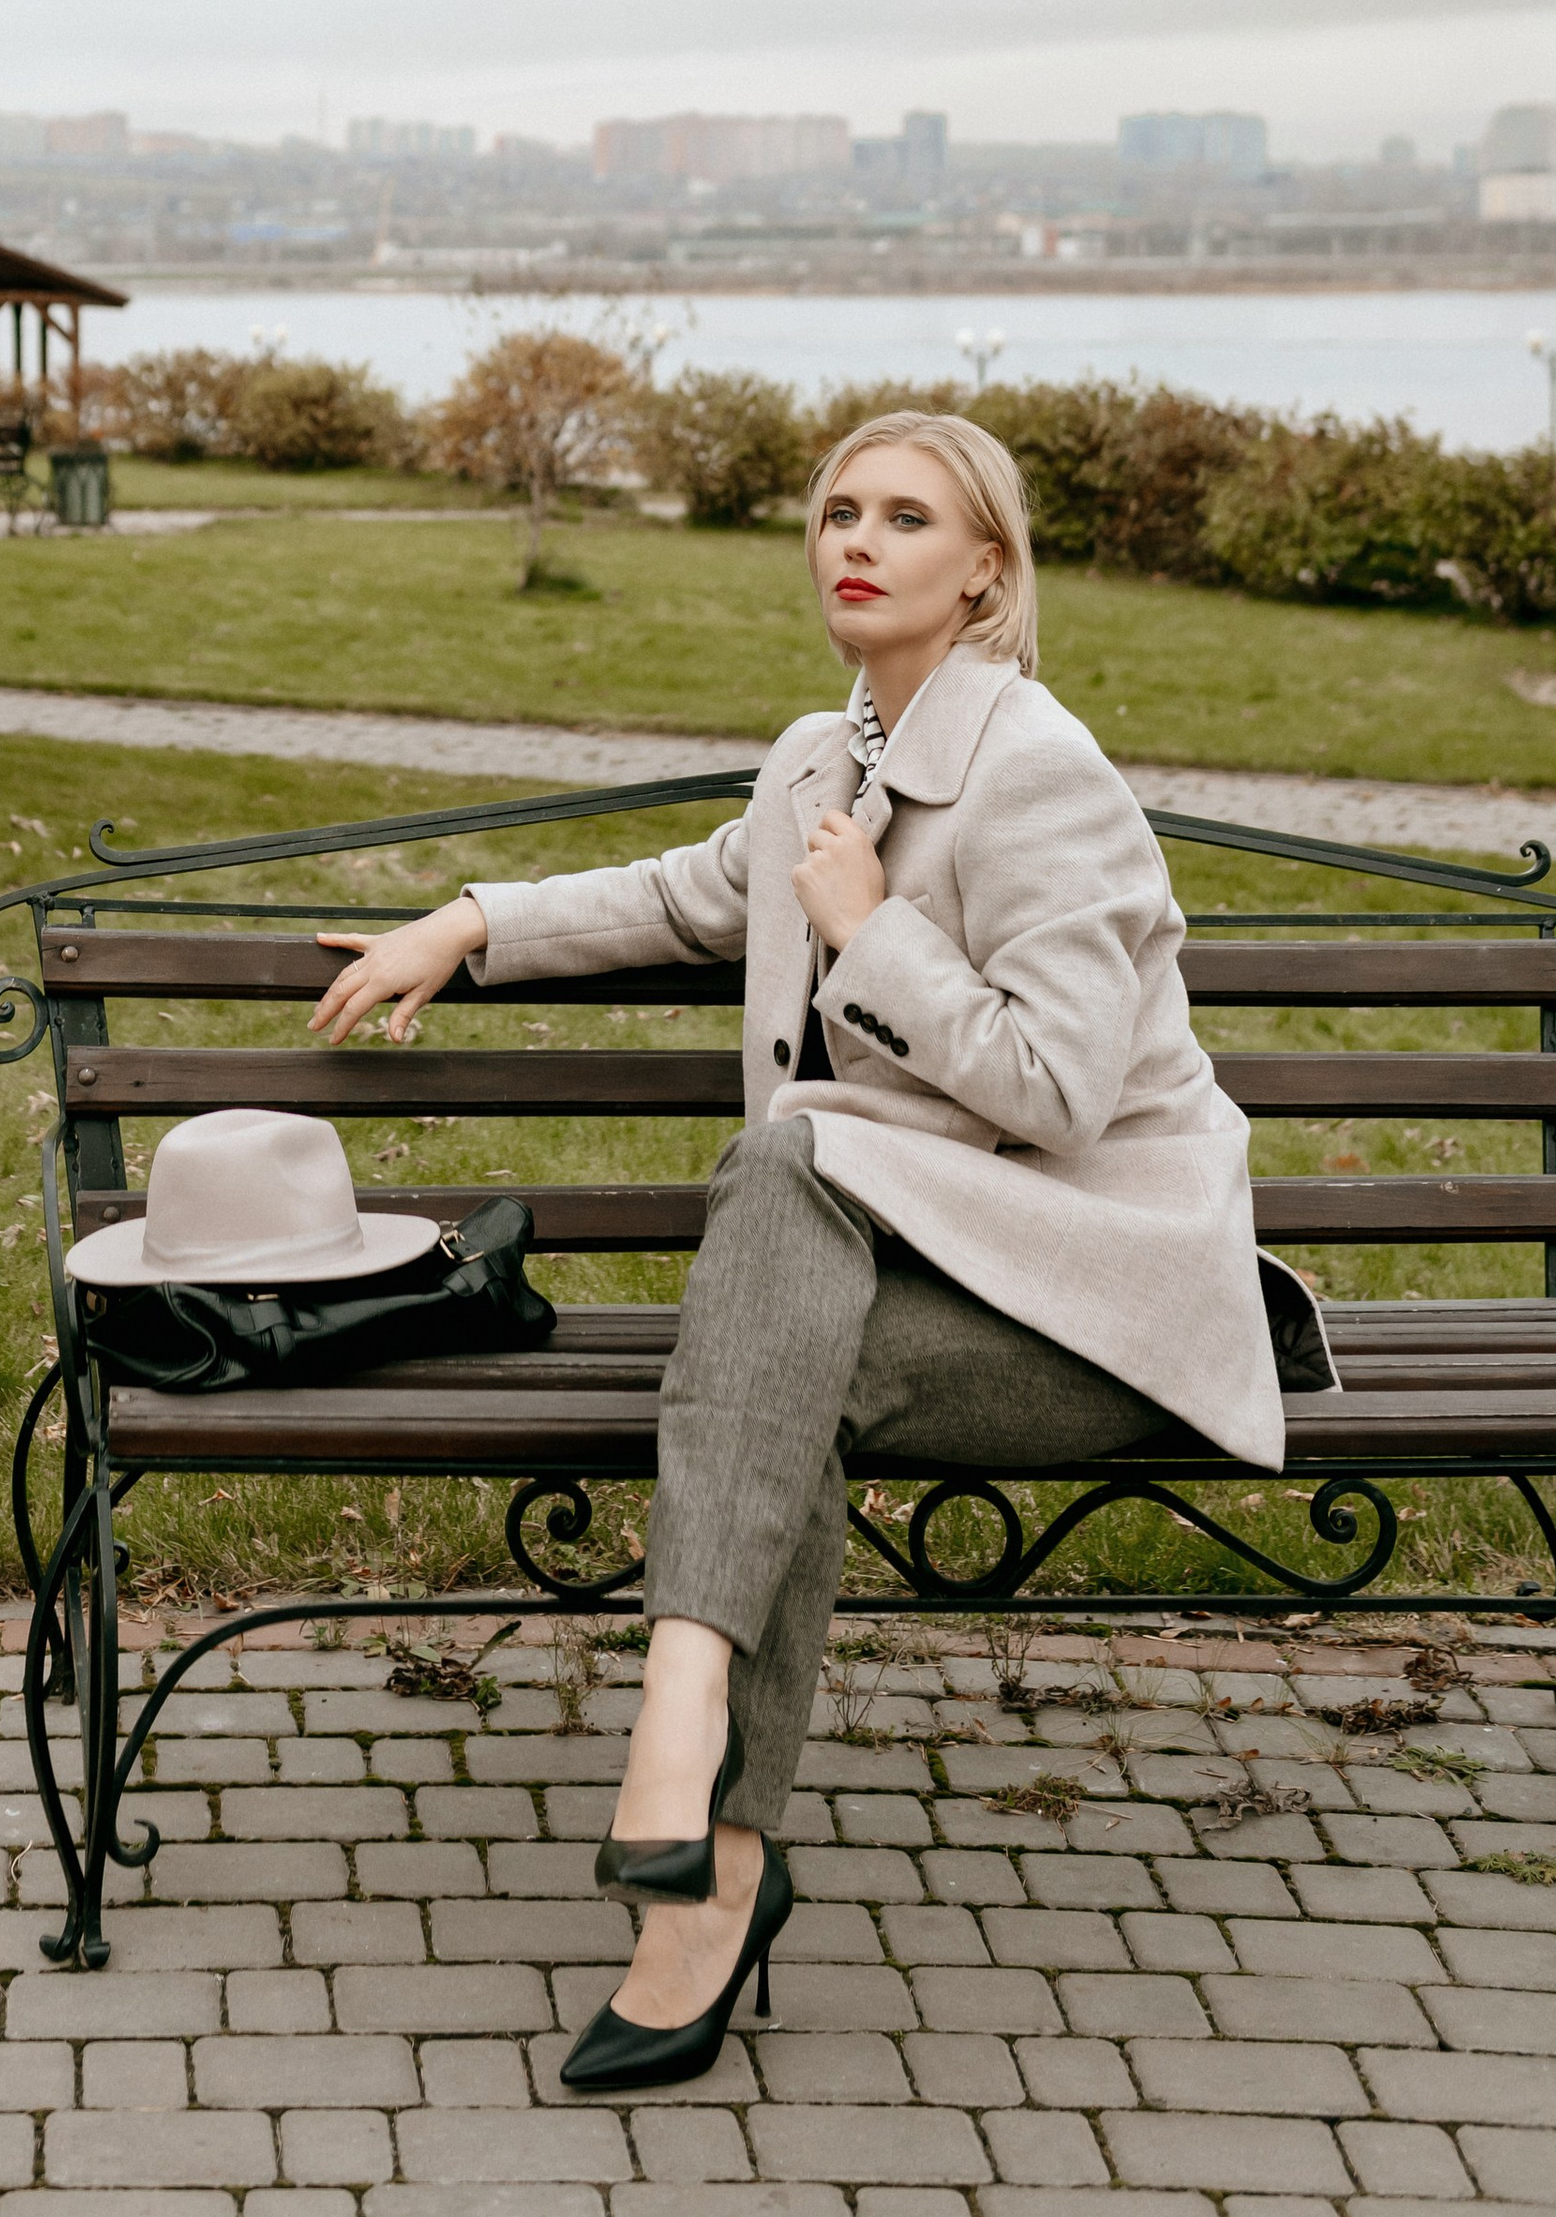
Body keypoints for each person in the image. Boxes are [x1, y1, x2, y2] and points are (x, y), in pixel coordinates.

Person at [308, 409, 1332, 2095]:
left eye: (908, 518)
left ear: (985, 570)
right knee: (787, 1345)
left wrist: (876, 932)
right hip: (920, 1285)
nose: (856, 539)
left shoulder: (1042, 775)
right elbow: (683, 892)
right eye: (838, 510)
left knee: (784, 1188)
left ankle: (684, 1770)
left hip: (1104, 1312)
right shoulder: (820, 758)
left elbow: (1063, 1089)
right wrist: (470, 921)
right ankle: (701, 1843)